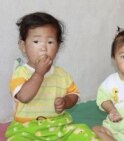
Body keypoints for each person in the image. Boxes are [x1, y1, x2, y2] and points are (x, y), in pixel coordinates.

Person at [5, 12, 99, 141]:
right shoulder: (21, 73)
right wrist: (39, 73)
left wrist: (66, 101)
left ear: (58, 47)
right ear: (23, 46)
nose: (43, 48)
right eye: (36, 41)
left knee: (84, 133)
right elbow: (24, 97)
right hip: (26, 128)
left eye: (50, 42)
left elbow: (74, 95)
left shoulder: (62, 74)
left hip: (59, 125)